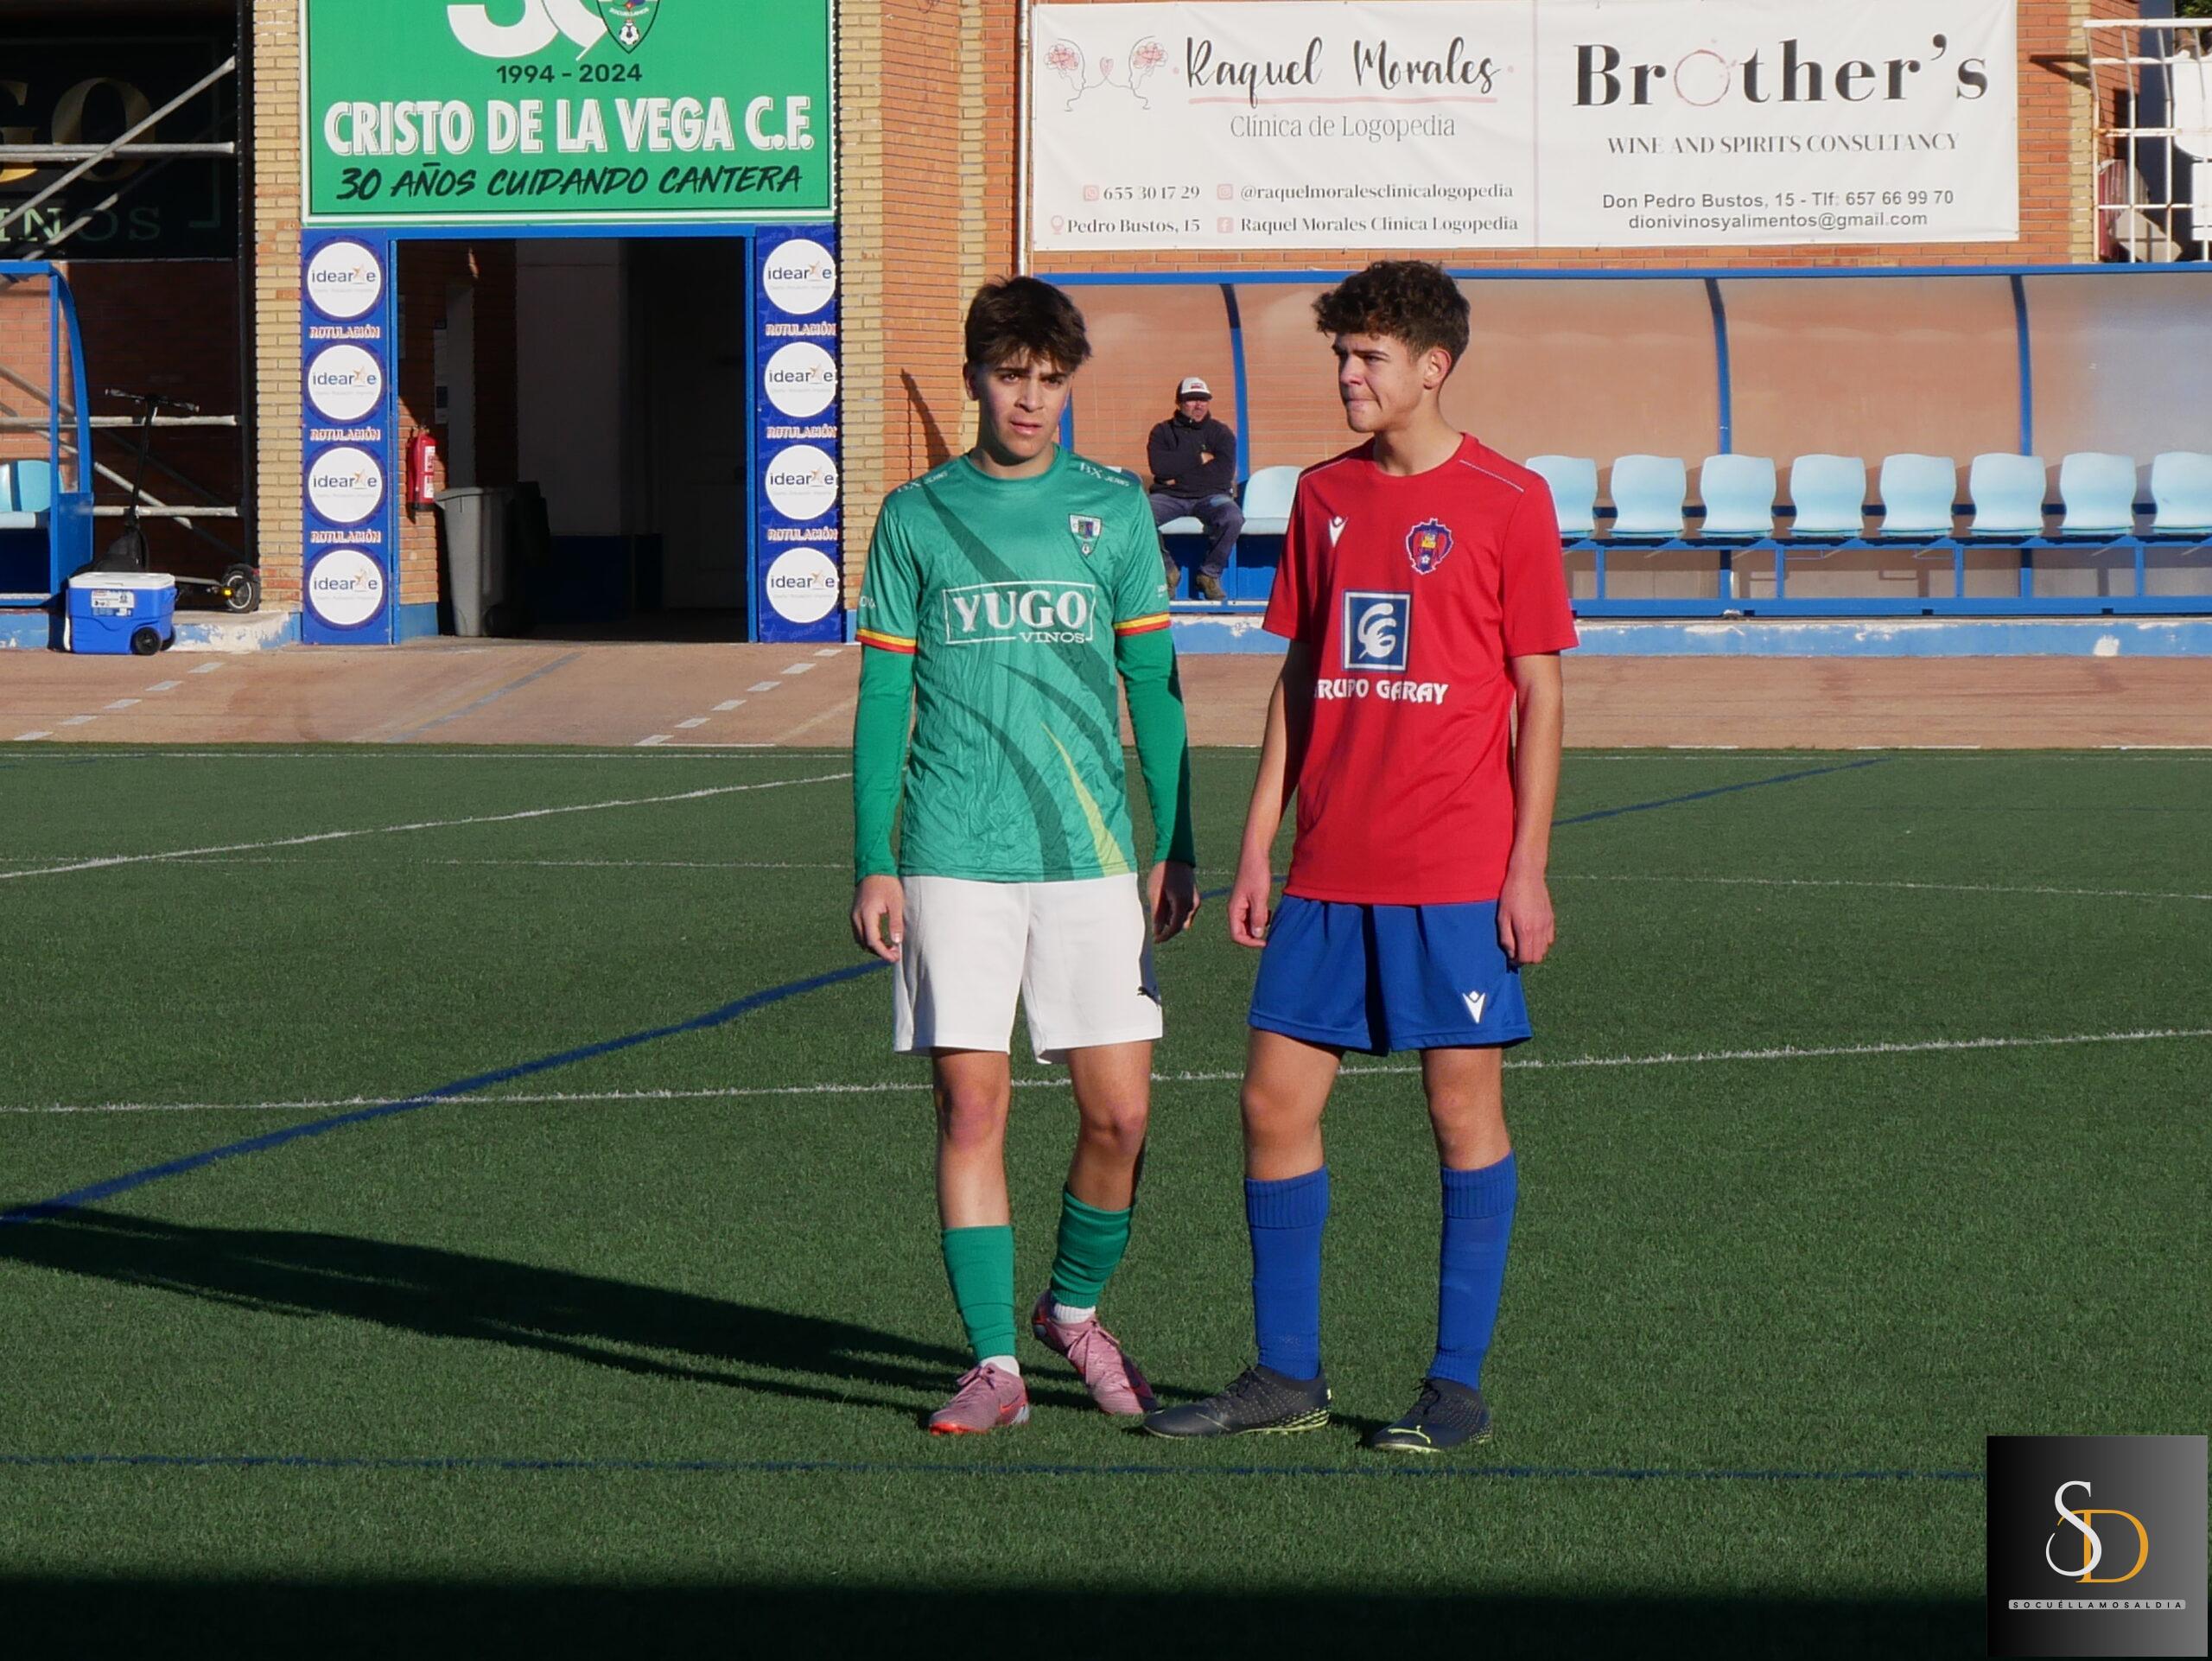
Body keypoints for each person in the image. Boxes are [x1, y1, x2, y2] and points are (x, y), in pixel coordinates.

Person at [1143, 260, 1577, 1453]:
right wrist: (1255, 845)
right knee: (1271, 1101)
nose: (1348, 372)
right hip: (1329, 868)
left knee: (1459, 1111)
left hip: (1452, 872)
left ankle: (1454, 1383)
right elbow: (1298, 679)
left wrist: (1526, 864)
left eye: (1370, 355)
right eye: (1342, 353)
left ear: (1432, 366)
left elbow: (1541, 695)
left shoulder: (1509, 499)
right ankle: (1286, 1371)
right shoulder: (1325, 499)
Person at [849, 275, 1201, 1436]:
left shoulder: (1114, 507)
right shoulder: (915, 515)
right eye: (1012, 376)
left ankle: (1074, 1308)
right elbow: (883, 693)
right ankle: (995, 1362)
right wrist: (874, 855)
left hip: (1094, 856)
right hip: (954, 851)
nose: (1032, 400)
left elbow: (1151, 683)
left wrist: (1177, 838)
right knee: (970, 1105)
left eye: (1052, 381)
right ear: (973, 378)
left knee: (1120, 1116)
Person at [1147, 376, 1243, 603]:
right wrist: (1200, 458)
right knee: (1139, 515)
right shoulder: (1161, 432)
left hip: (1211, 497)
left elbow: (1223, 473)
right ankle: (1167, 570)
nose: (1199, 405)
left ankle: (1209, 575)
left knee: (1233, 517)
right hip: (1170, 497)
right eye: (1191, 400)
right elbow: (1159, 467)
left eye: (1203, 400)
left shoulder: (1221, 433)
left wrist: (1176, 475)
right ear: (1179, 402)